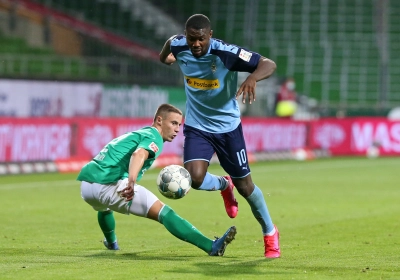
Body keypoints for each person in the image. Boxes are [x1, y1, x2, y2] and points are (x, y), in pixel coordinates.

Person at [159, 14, 280, 258]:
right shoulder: (178, 44)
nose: (195, 45)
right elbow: (168, 48)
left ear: (210, 36)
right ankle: (225, 184)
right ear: (186, 35)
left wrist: (253, 77)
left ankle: (270, 232)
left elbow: (269, 63)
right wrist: (167, 58)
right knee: (194, 178)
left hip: (228, 129)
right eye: (192, 39)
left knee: (246, 187)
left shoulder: (226, 53)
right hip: (197, 126)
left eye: (201, 40)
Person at [77, 103, 236, 256]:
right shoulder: (154, 136)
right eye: (173, 123)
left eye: (179, 125)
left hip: (87, 186)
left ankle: (111, 243)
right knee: (164, 212)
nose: (176, 129)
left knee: (104, 208)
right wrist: (131, 181)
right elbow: (138, 154)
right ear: (159, 120)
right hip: (109, 183)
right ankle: (211, 246)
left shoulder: (140, 133)